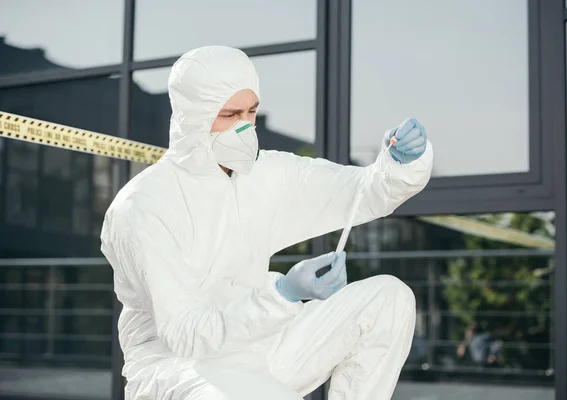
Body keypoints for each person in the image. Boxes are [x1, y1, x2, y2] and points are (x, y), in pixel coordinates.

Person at [100, 45, 434, 400]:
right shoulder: (144, 205)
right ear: (193, 116)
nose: (244, 127)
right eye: (230, 114)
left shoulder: (266, 174)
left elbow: (365, 192)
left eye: (252, 111)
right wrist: (283, 295)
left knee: (388, 299)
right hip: (181, 370)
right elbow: (186, 334)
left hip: (261, 346)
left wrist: (398, 163)